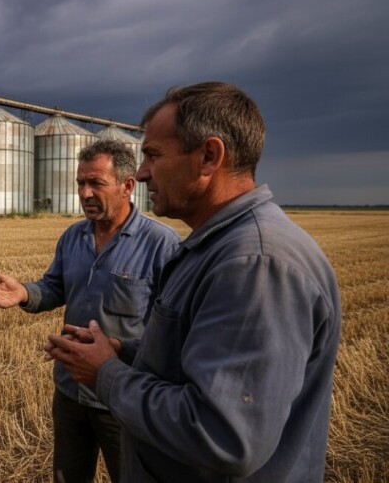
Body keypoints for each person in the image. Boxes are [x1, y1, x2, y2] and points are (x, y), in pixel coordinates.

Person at [46, 82, 342, 482]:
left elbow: (223, 434)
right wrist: (125, 351)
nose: (143, 172)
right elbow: (191, 352)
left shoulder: (255, 265)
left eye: (153, 155)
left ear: (209, 157)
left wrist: (107, 375)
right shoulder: (215, 248)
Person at [0, 139, 180, 483]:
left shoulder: (162, 245)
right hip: (70, 389)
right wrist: (25, 292)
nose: (85, 193)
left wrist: (119, 351)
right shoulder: (73, 237)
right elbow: (55, 287)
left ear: (127, 186)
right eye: (80, 183)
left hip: (125, 396)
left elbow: (172, 333)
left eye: (96, 183)